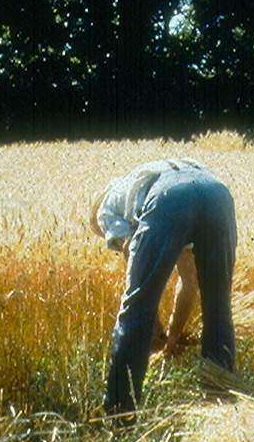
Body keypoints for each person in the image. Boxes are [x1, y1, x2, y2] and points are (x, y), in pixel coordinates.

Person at [91, 158, 237, 419]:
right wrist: (172, 336)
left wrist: (154, 327)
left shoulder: (107, 208)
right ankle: (219, 411)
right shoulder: (140, 182)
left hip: (168, 199)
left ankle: (119, 416)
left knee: (134, 312)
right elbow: (189, 281)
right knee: (218, 308)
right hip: (217, 193)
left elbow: (135, 278)